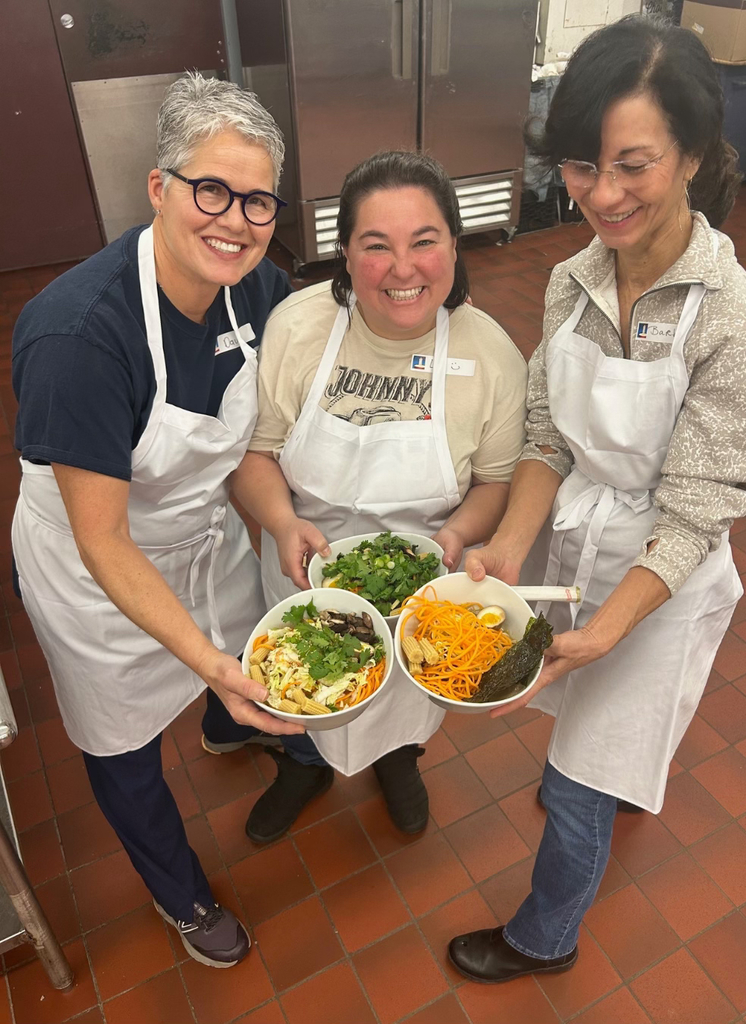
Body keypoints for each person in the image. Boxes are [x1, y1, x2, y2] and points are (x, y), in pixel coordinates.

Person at [447, 16, 746, 982]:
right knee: (588, 734)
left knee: (576, 783)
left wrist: (604, 631)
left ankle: (544, 937)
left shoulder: (729, 319)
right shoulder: (572, 280)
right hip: (577, 543)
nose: (601, 194)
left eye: (633, 165)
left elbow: (697, 508)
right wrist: (508, 548)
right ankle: (610, 781)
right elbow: (548, 435)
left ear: (693, 156)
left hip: (661, 575)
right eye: (583, 165)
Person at [11, 72, 302, 969]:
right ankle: (181, 894)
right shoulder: (79, 337)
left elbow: (239, 449)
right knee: (124, 742)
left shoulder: (258, 292)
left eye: (257, 200)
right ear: (158, 187)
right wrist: (206, 661)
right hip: (95, 571)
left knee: (237, 650)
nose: (234, 220)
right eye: (210, 189)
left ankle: (226, 722)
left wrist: (281, 522)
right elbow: (103, 538)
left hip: (200, 537)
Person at [231, 151, 528, 842]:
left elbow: (495, 482)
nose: (402, 269)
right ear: (343, 253)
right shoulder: (299, 326)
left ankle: (399, 760)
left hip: (422, 583)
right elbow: (256, 453)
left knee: (407, 692)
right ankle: (303, 765)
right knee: (301, 681)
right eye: (376, 246)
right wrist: (280, 522)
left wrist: (456, 536)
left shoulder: (491, 355)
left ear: (454, 244)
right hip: (304, 567)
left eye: (424, 241)